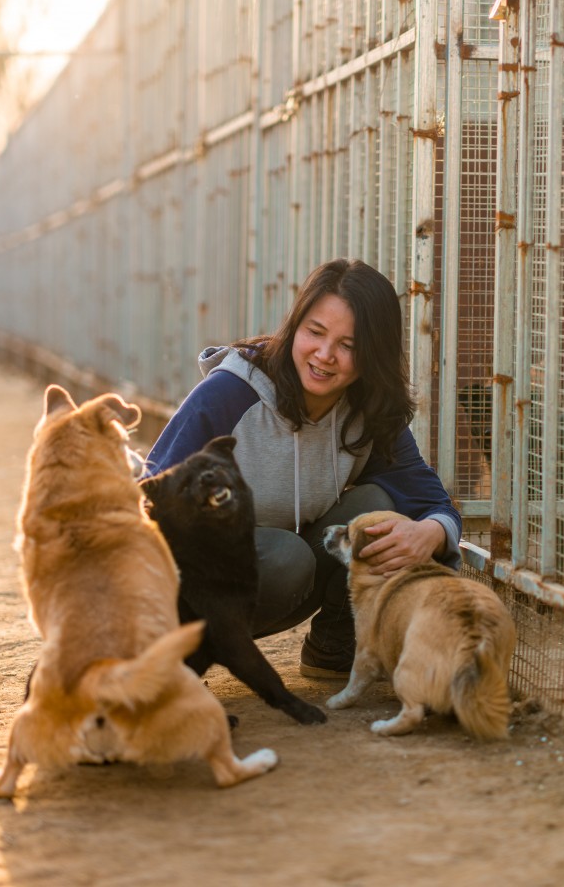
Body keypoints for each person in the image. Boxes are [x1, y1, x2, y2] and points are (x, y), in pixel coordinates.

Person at [141, 258, 462, 679]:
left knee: (378, 504)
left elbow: (430, 501)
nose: (325, 356)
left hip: (280, 583)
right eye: (315, 332)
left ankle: (333, 646)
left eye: (348, 345)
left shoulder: (369, 412)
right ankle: (173, 662)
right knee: (286, 556)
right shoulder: (227, 395)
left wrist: (429, 533)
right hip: (190, 589)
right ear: (294, 326)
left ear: (373, 353)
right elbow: (147, 500)